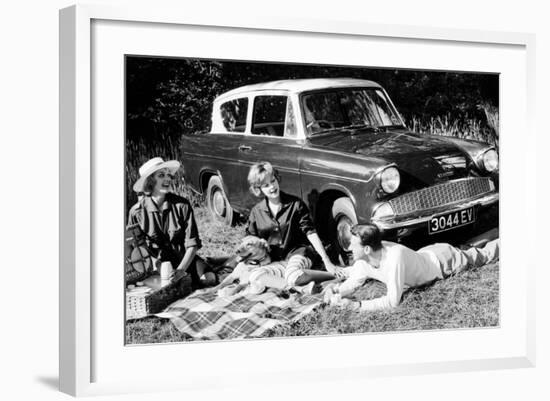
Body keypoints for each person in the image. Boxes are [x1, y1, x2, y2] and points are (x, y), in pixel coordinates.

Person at [324, 224, 500, 311]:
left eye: (353, 245)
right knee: (470, 249)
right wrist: (337, 291)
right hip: (427, 253)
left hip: (444, 261)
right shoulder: (365, 260)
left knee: (484, 255)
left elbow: (393, 301)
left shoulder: (394, 258)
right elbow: (355, 279)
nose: (348, 249)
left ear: (367, 249)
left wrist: (356, 306)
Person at [245, 162, 340, 292]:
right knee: (254, 275)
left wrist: (327, 261)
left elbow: (310, 232)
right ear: (258, 189)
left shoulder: (296, 204)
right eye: (266, 185)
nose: (272, 187)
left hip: (300, 253)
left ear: (277, 179)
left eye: (273, 181)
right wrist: (256, 244)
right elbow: (249, 237)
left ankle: (334, 274)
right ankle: (299, 289)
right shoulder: (256, 211)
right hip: (277, 260)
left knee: (292, 275)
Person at [127, 157, 216, 288]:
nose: (168, 179)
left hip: (185, 261)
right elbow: (138, 249)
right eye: (161, 175)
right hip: (157, 267)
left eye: (168, 174)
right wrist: (157, 265)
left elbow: (193, 244)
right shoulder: (136, 212)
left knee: (209, 279)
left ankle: (210, 264)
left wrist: (180, 271)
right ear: (150, 181)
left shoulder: (182, 205)